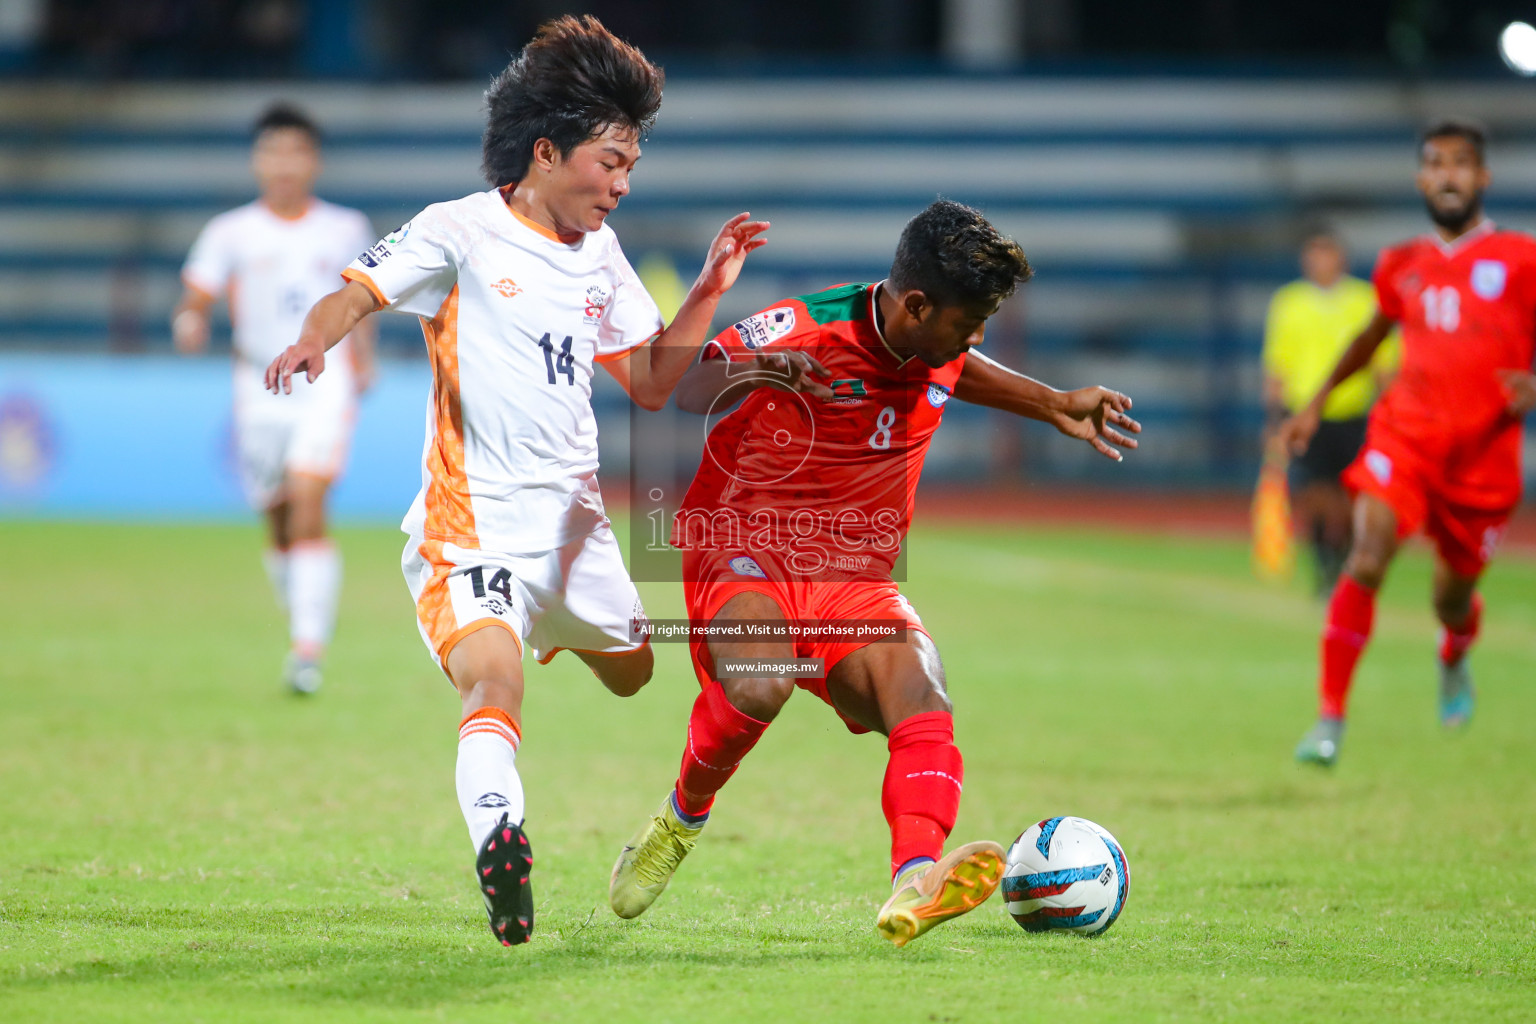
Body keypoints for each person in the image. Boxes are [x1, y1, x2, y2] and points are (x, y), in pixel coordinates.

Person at [263, 16, 768, 946]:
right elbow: (357, 292)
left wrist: (708, 289)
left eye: (630, 169)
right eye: (610, 163)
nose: (620, 186)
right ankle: (502, 837)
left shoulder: (603, 259)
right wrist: (311, 338)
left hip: (574, 530)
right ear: (547, 151)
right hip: (473, 525)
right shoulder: (459, 231)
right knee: (490, 685)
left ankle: (553, 632)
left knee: (633, 673)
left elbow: (654, 383)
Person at [607, 200, 1141, 947]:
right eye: (968, 321)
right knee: (763, 682)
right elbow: (681, 386)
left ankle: (914, 881)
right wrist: (761, 370)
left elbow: (958, 367)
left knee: (921, 692)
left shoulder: (935, 341)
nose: (975, 337)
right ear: (917, 304)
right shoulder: (804, 327)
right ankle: (681, 818)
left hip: (854, 572)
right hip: (744, 542)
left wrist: (1051, 402)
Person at [1283, 120, 1536, 767]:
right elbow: (1370, 340)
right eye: (1435, 163)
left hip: (1483, 458)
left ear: (1482, 177)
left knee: (1451, 598)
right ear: (1421, 178)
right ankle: (1329, 719)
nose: (1448, 174)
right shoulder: (1402, 264)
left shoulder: (1520, 260)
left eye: (1461, 163)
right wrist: (1313, 405)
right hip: (1406, 438)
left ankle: (1453, 651)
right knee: (1367, 554)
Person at [173, 103, 377, 696]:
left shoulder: (345, 227)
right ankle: (305, 611)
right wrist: (189, 322)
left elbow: (360, 298)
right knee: (277, 517)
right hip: (257, 387)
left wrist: (364, 359)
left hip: (324, 378)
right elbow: (195, 297)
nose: (284, 164)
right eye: (273, 152)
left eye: (295, 152)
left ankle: (307, 649)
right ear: (258, 161)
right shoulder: (230, 231)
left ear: (313, 161)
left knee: (310, 499)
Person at [1262, 230, 1398, 594]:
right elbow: (1278, 366)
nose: (1319, 261)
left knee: (1352, 497)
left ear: (1342, 257)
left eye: (1327, 253)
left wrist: (1391, 414)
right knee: (1314, 495)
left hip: (1354, 412)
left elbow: (1383, 365)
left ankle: (1345, 560)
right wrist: (1275, 419)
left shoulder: (1364, 299)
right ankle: (1325, 566)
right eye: (1313, 253)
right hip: (1307, 415)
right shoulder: (1288, 302)